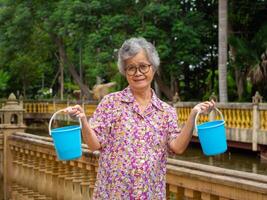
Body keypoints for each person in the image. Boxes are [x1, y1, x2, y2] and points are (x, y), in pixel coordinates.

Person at [66, 37, 215, 200]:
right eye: (131, 68)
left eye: (143, 66)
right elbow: (94, 145)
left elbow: (177, 148)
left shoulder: (166, 112)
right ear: (125, 71)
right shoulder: (111, 103)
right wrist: (83, 121)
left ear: (153, 68)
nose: (138, 73)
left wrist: (194, 115)